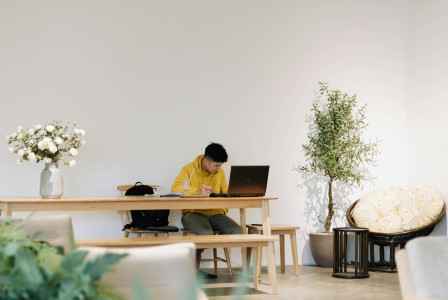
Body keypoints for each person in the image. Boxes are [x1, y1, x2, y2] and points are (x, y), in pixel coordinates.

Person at [171, 143, 243, 278]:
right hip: (192, 213)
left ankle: (196, 251)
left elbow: (225, 192)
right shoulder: (188, 169)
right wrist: (197, 191)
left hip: (216, 213)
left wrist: (233, 197)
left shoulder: (220, 172)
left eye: (220, 165)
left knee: (237, 231)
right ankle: (192, 264)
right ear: (206, 161)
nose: (219, 169)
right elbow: (175, 188)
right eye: (216, 165)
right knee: (205, 233)